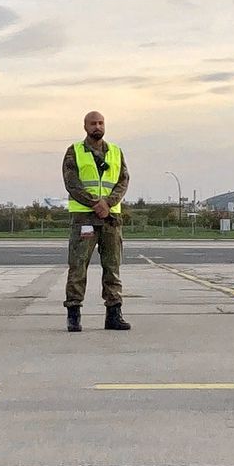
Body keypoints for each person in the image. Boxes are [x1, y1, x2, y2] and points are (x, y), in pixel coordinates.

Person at [62, 111, 130, 332]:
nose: (97, 127)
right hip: (85, 218)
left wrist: (108, 203)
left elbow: (123, 181)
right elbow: (72, 183)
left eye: (100, 123)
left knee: (113, 267)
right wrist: (95, 203)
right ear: (85, 127)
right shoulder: (74, 152)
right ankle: (74, 314)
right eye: (93, 123)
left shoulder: (116, 152)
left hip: (111, 218)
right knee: (78, 266)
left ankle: (114, 313)